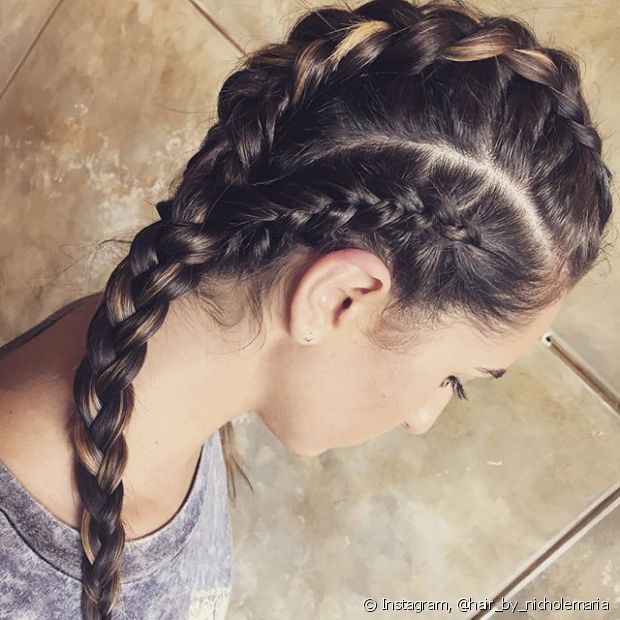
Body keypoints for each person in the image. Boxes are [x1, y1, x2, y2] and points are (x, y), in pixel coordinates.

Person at [0, 0, 614, 618]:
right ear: (339, 299)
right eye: (451, 380)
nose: (422, 418)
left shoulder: (148, 340)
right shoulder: (20, 565)